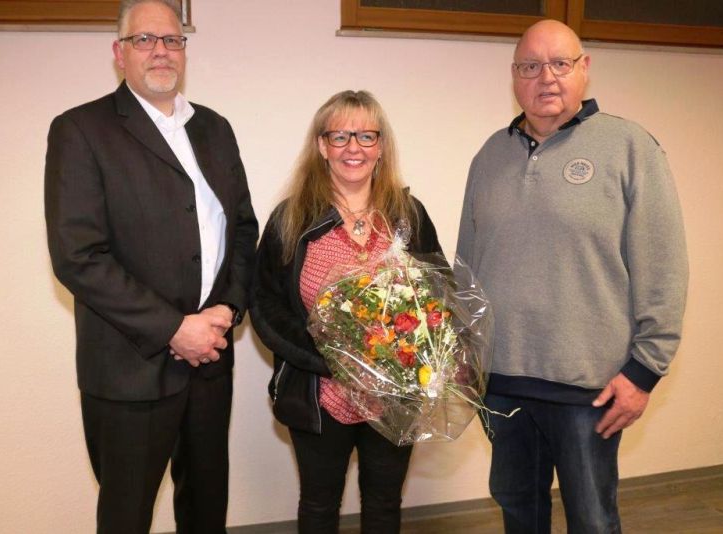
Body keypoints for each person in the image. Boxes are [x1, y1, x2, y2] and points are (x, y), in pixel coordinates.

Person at [456, 19, 688, 533]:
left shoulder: (630, 148)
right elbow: (466, 269)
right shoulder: (489, 155)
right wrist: (465, 357)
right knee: (520, 516)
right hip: (503, 385)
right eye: (530, 66)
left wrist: (645, 371)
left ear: (585, 69)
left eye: (560, 63)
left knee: (593, 521)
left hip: (591, 389)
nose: (547, 78)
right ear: (514, 77)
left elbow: (664, 267)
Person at [44, 0, 258, 531]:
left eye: (172, 40)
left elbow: (244, 230)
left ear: (184, 51)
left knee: (206, 510)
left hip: (211, 361)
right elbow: (78, 255)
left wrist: (228, 309)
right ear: (120, 54)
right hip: (129, 372)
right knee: (126, 516)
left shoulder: (215, 128)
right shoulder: (81, 130)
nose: (161, 50)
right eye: (145, 40)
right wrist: (174, 328)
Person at [250, 90, 443, 534]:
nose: (353, 147)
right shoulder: (291, 218)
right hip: (319, 392)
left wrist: (410, 357)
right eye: (340, 135)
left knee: (384, 504)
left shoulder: (407, 214)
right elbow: (264, 304)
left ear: (381, 146)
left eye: (366, 135)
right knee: (319, 506)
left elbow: (438, 295)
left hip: (393, 393)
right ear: (321, 145)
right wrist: (333, 363)